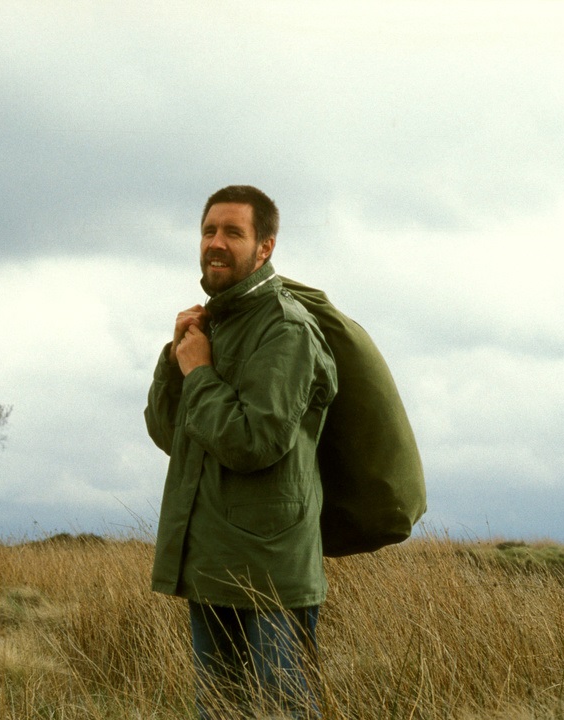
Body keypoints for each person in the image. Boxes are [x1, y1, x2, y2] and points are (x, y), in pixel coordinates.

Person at [145, 185, 337, 718]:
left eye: (233, 232)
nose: (216, 243)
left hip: (272, 572)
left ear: (264, 248)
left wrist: (200, 371)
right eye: (209, 230)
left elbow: (255, 441)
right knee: (221, 712)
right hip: (213, 562)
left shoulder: (285, 328)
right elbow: (171, 435)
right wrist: (175, 356)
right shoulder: (214, 325)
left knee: (284, 711)